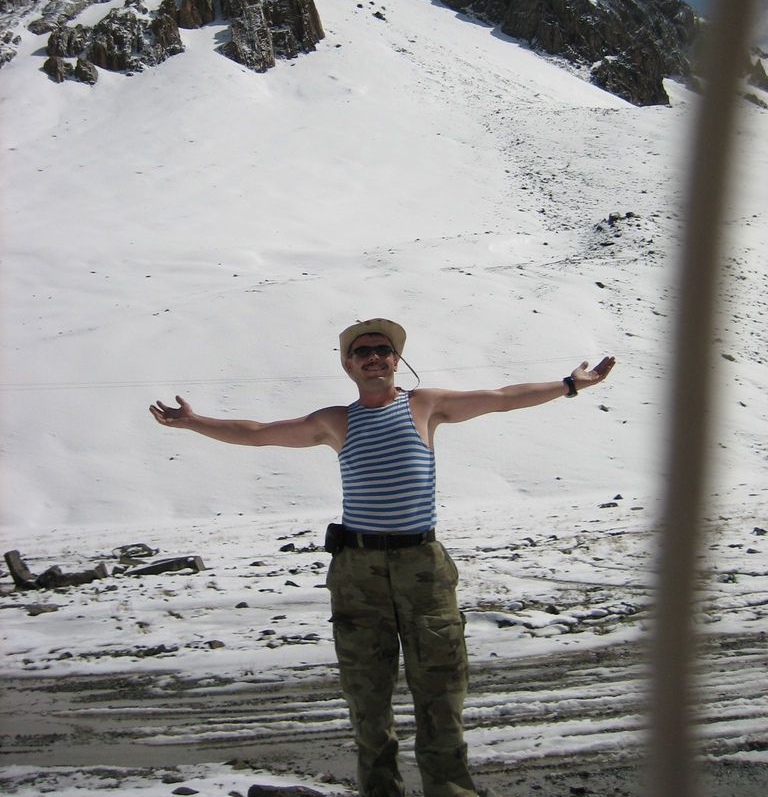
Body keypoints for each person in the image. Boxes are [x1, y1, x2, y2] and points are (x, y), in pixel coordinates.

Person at [149, 317, 615, 797]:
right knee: (366, 697)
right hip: (358, 571)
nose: (374, 356)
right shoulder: (336, 421)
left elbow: (501, 397)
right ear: (348, 365)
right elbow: (259, 432)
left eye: (383, 349)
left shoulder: (425, 405)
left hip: (423, 565)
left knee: (441, 690)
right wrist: (194, 422)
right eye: (362, 351)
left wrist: (568, 385)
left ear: (396, 360)